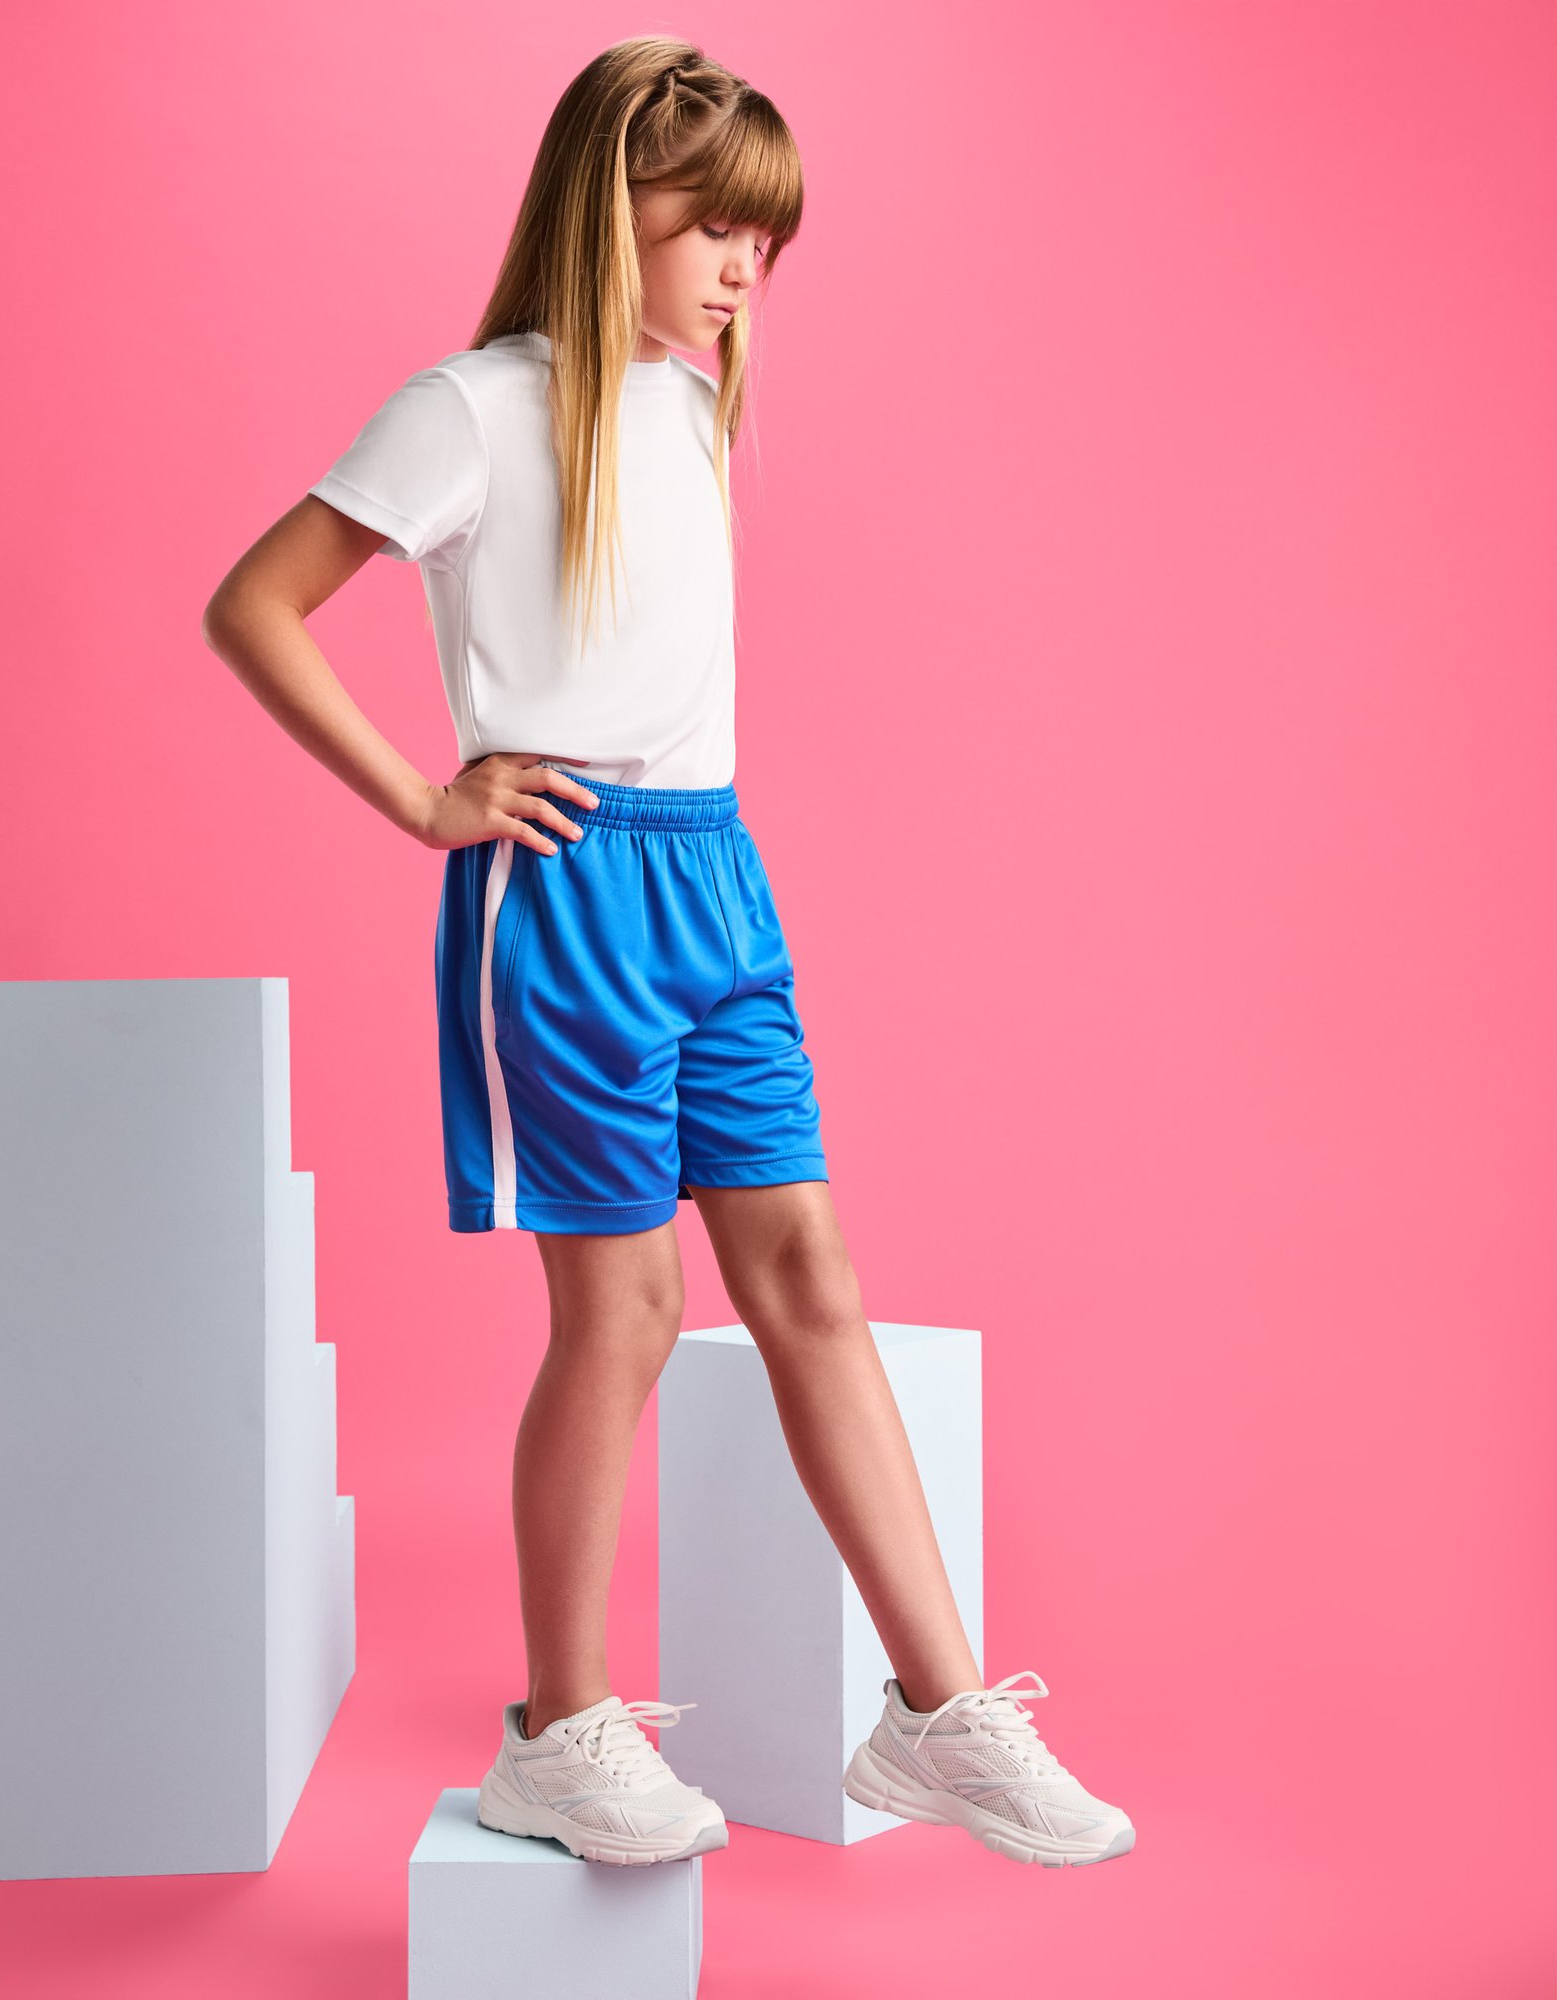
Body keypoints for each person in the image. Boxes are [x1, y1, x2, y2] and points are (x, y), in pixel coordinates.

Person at [201, 34, 1133, 1871]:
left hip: (718, 877)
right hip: (567, 891)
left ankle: (938, 1712)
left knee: (813, 1279)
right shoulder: (472, 407)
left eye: (764, 241)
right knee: (623, 1312)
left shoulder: (698, 410)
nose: (741, 270)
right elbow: (257, 604)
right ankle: (561, 1730)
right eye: (712, 228)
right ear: (603, 208)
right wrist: (423, 796)